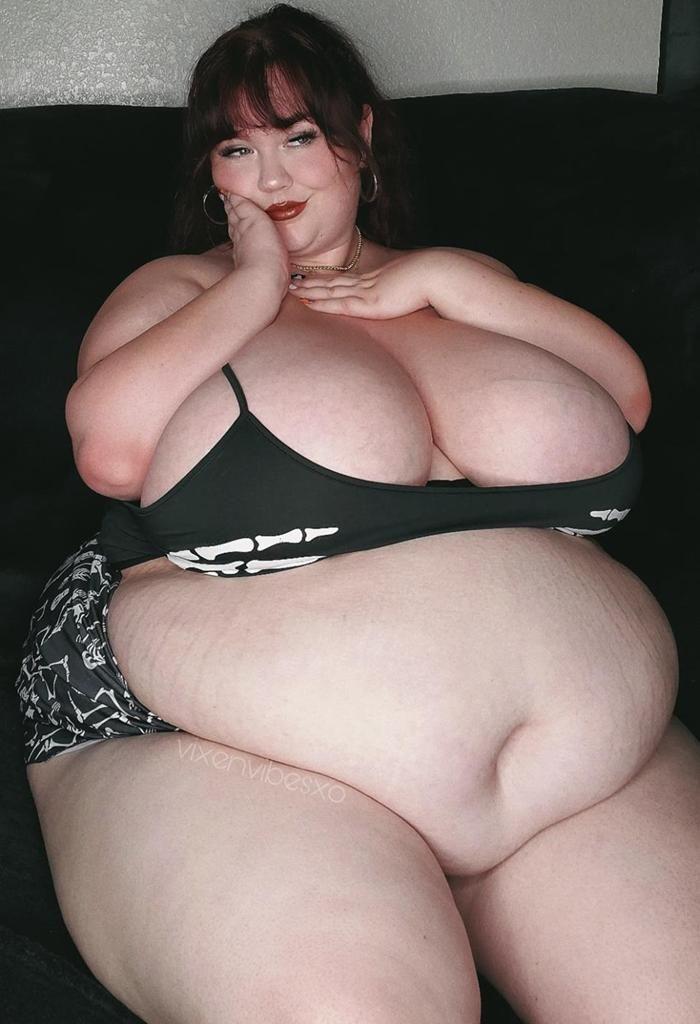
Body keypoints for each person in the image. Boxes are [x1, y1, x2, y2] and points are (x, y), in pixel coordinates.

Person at [15, 4, 699, 1023]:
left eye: (299, 136)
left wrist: (443, 279)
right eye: (237, 149)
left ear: (361, 138)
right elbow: (109, 451)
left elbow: (625, 398)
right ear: (210, 176)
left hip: (583, 771)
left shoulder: (458, 282)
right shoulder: (179, 288)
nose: (272, 175)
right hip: (231, 745)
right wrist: (254, 286)